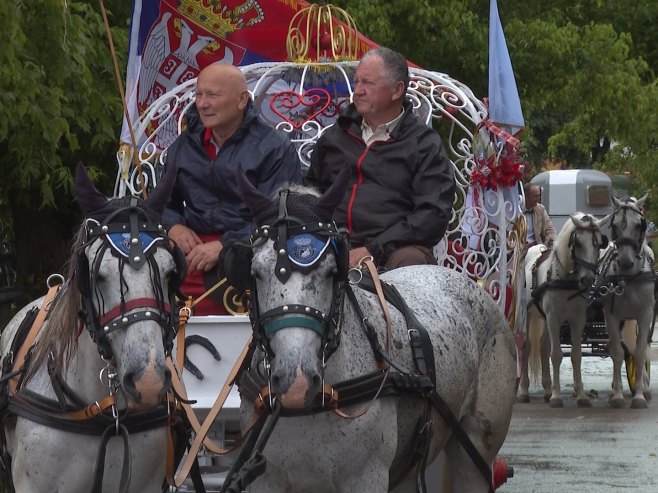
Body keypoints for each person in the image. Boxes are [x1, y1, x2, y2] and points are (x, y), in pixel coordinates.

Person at [163, 63, 301, 315]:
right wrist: (174, 225)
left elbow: (280, 215)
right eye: (199, 95)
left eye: (212, 95)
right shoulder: (183, 146)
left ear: (241, 100)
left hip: (248, 249)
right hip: (190, 252)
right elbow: (162, 202)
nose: (202, 104)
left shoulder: (274, 148)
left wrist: (225, 244)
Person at [305, 47, 455, 270]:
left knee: (411, 263)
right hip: (331, 243)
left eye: (368, 83)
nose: (358, 91)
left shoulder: (423, 144)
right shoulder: (335, 136)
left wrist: (373, 249)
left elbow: (432, 215)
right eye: (356, 82)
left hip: (394, 251)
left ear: (396, 90)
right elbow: (311, 192)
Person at [523, 183, 556, 248]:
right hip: (519, 251)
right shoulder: (515, 211)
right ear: (526, 197)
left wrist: (545, 247)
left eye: (539, 196)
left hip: (537, 250)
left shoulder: (540, 209)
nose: (538, 199)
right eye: (535, 196)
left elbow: (550, 230)